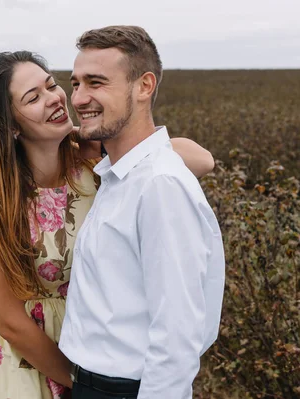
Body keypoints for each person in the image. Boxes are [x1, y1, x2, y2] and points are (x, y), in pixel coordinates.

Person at [0, 50, 215, 399]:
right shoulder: (1, 198)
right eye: (33, 97)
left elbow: (201, 160)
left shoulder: (97, 168)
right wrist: (81, 382)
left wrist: (100, 144)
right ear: (10, 126)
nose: (55, 98)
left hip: (102, 346)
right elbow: (9, 319)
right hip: (33, 358)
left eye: (51, 85)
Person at [59, 26, 226, 399]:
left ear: (144, 86)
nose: (79, 98)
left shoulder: (159, 186)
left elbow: (177, 337)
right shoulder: (120, 176)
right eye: (76, 84)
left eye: (96, 82)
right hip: (93, 384)